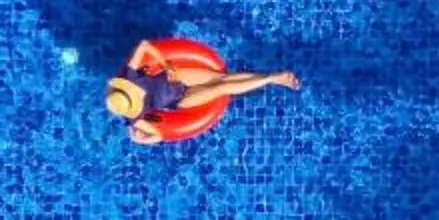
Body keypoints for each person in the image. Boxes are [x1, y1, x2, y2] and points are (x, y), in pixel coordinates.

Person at [104, 39, 299, 145]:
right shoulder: (136, 118)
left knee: (220, 78)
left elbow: (144, 45)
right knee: (222, 88)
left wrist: (164, 64)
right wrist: (141, 140)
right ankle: (273, 79)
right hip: (181, 99)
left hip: (176, 77)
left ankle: (271, 77)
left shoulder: (130, 75)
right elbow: (158, 136)